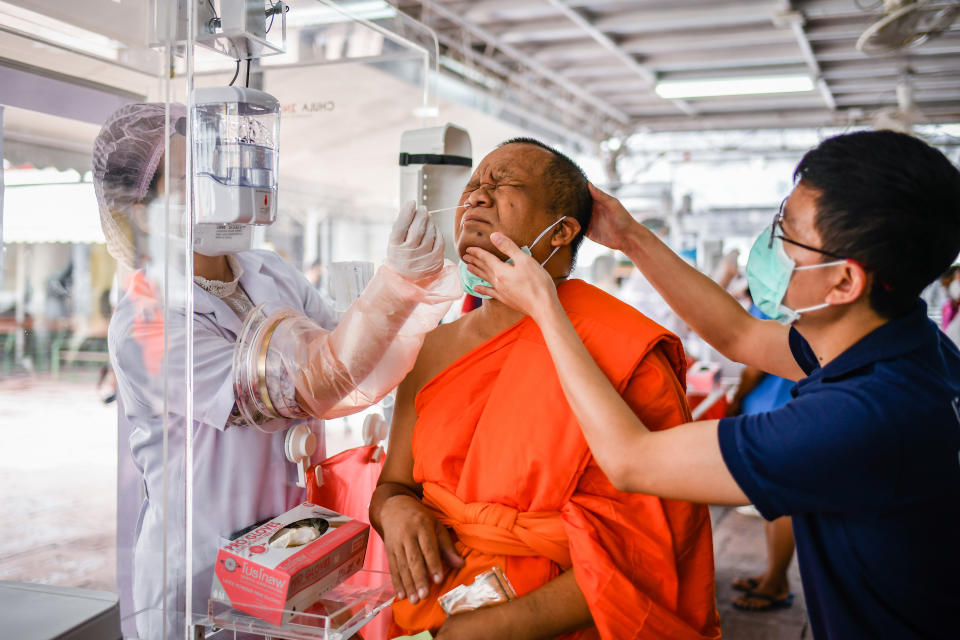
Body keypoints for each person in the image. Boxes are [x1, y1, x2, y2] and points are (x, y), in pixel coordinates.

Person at [463, 130, 960, 639]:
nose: (770, 246)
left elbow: (633, 460)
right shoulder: (904, 342)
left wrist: (545, 309)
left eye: (787, 235)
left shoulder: (860, 419)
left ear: (845, 282)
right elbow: (738, 333)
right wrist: (630, 235)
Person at [94, 103, 457, 638]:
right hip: (200, 567)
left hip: (294, 546)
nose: (216, 189)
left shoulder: (269, 272)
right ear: (141, 212)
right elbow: (302, 385)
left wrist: (413, 293)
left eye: (212, 168)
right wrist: (392, 289)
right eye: (185, 181)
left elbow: (356, 359)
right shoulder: (147, 322)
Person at [370, 138, 721, 640]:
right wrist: (397, 509)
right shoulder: (430, 348)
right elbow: (393, 485)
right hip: (431, 609)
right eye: (474, 186)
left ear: (561, 231)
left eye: (504, 185)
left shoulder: (622, 348)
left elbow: (646, 547)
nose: (477, 198)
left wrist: (485, 631)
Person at [725, 303, 796, 612]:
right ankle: (773, 576)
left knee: (782, 504)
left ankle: (776, 584)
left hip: (778, 410)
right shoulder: (786, 299)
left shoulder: (778, 302)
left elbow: (754, 364)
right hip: (777, 408)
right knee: (772, 502)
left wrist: (737, 398)